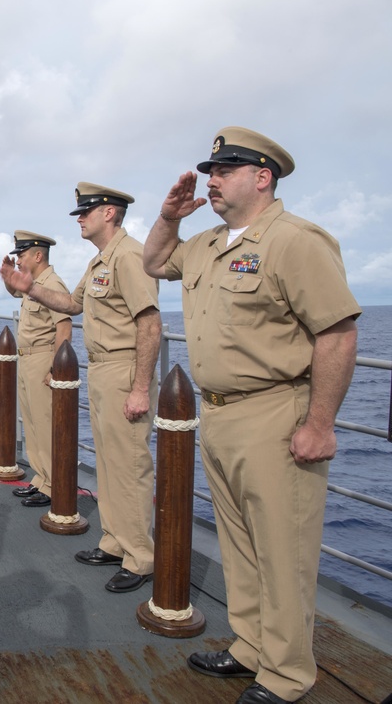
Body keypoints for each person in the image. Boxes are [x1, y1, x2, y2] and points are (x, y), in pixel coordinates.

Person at [142, 127, 360, 704]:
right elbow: (154, 259)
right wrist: (168, 216)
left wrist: (320, 424)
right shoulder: (208, 243)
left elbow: (336, 334)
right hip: (217, 414)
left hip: (274, 413)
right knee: (240, 544)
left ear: (262, 177)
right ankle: (251, 647)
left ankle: (287, 674)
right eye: (210, 171)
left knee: (282, 550)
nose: (211, 180)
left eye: (225, 170)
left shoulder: (296, 241)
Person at [1, 184, 161, 593]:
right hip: (102, 369)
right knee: (108, 464)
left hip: (125, 370)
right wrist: (29, 288)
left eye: (86, 211)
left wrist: (141, 386)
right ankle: (114, 542)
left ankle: (140, 557)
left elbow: (149, 322)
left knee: (129, 467)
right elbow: (72, 306)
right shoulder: (98, 263)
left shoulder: (129, 256)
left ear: (109, 213)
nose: (79, 218)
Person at [0, 231, 72, 508]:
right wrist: (8, 275)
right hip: (27, 359)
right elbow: (14, 290)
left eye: (22, 255)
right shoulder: (33, 284)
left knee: (46, 425)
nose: (18, 259)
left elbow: (64, 326)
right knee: (32, 423)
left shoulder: (52, 284)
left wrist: (56, 368)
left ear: (38, 256)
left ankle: (54, 485)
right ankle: (42, 478)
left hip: (43, 358)